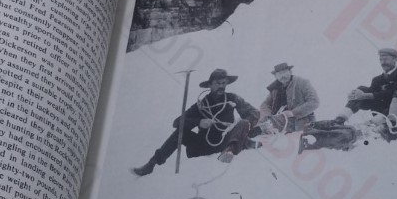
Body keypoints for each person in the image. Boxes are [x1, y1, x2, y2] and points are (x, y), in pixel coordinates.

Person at [131, 68, 259, 175]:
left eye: (224, 83)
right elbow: (177, 122)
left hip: (225, 142)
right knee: (180, 132)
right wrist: (199, 122)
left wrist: (240, 128)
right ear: (210, 85)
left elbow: (254, 113)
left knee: (243, 123)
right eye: (218, 83)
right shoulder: (202, 104)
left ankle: (232, 150)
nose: (221, 86)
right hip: (203, 146)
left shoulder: (233, 98)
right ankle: (152, 163)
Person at [334, 48, 397, 123]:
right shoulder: (377, 79)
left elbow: (395, 93)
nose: (383, 62)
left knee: (395, 97)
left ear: (395, 59)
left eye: (385, 59)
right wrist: (356, 96)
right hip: (379, 112)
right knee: (361, 89)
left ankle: (375, 123)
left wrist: (365, 95)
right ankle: (341, 118)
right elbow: (370, 99)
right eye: (381, 60)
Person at [257, 62, 319, 133]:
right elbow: (265, 105)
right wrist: (267, 116)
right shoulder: (275, 88)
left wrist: (293, 113)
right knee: (260, 127)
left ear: (290, 72)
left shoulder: (302, 83)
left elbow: (314, 102)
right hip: (280, 125)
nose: (282, 76)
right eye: (279, 74)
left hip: (302, 125)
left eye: (284, 72)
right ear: (275, 76)